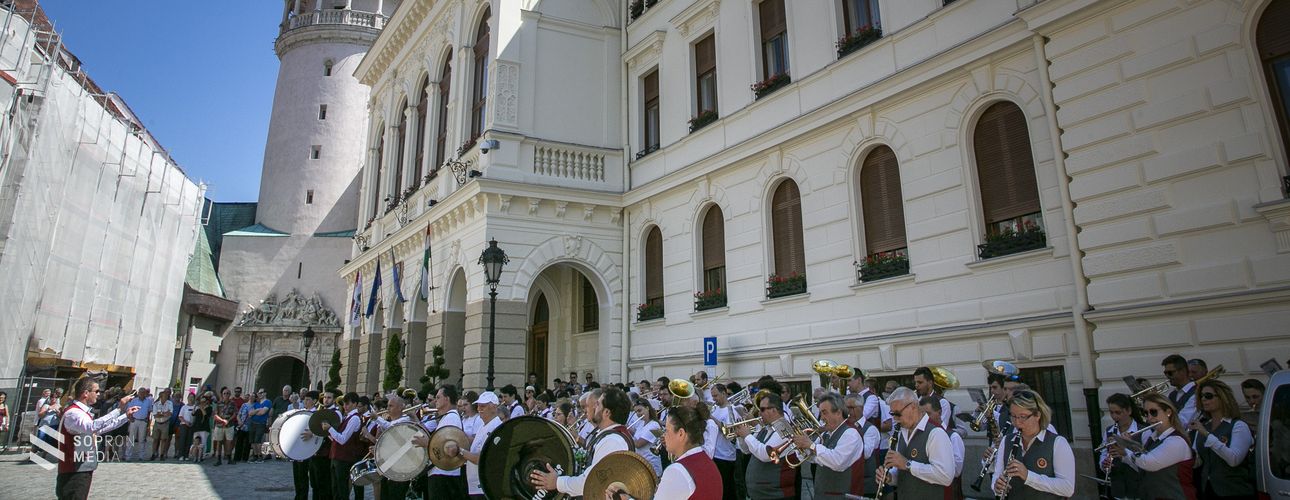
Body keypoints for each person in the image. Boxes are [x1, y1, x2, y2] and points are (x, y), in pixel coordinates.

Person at [530, 387, 633, 497]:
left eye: (598, 404)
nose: (594, 407)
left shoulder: (612, 441)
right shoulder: (610, 437)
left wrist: (557, 482)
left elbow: (591, 481)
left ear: (607, 412)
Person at [607, 405, 722, 500]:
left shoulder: (677, 470)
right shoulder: (709, 463)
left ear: (681, 434)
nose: (664, 435)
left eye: (667, 430)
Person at [55, 377, 139, 500]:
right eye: (96, 391)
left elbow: (100, 429)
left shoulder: (82, 412)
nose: (99, 394)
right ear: (86, 393)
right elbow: (92, 426)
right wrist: (119, 409)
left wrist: (125, 416)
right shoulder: (74, 413)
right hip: (73, 470)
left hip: (81, 468)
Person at [989, 390, 1076, 498]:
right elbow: (997, 475)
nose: (1017, 422)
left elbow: (1067, 488)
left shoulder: (1058, 443)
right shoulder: (1006, 441)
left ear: (1037, 415)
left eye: (1023, 416)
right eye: (1013, 416)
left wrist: (1028, 476)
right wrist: (997, 486)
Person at [875, 387, 954, 498]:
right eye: (892, 414)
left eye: (898, 414)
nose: (895, 419)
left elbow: (945, 476)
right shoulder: (901, 433)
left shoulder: (936, 433)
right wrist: (890, 477)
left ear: (912, 406)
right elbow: (902, 472)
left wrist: (908, 464)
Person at [1117, 393, 1196, 499]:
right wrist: (1124, 455)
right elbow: (1143, 469)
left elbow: (1149, 463)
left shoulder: (1176, 441)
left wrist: (1128, 447)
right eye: (1145, 413)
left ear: (1168, 412)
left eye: (1153, 412)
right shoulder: (1153, 438)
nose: (1149, 418)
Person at [1189, 379, 1255, 498]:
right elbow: (1198, 460)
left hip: (1235, 491)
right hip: (1207, 490)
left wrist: (1206, 434)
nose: (1203, 399)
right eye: (1201, 396)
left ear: (1222, 398)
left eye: (1208, 396)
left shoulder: (1238, 426)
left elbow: (1234, 459)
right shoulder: (1203, 426)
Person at [797, 393, 866, 500]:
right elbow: (813, 458)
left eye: (824, 413)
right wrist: (801, 447)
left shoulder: (851, 433)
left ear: (838, 413)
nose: (821, 418)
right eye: (821, 413)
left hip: (843, 496)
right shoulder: (826, 434)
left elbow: (838, 462)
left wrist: (811, 445)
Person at [734, 393, 796, 499]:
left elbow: (766, 455)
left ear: (774, 410)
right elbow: (747, 450)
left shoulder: (784, 429)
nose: (759, 412)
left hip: (775, 495)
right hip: (761, 495)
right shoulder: (766, 428)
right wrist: (741, 436)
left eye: (762, 409)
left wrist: (747, 436)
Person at [415, 385, 467, 499]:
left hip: (445, 476)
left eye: (438, 397)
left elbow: (450, 447)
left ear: (447, 399)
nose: (435, 401)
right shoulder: (447, 417)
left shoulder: (451, 418)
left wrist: (427, 443)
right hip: (440, 473)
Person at [322, 392, 366, 500]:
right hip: (336, 456)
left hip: (344, 458)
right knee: (335, 489)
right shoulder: (348, 417)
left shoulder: (354, 418)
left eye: (347, 404)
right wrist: (328, 433)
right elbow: (337, 439)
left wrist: (330, 429)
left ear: (355, 404)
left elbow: (343, 439)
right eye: (344, 404)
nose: (345, 406)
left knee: (342, 490)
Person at [1099, 393, 1143, 499]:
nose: (1114, 417)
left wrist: (1125, 453)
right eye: (1111, 412)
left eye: (1118, 412)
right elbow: (1104, 453)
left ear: (1129, 411)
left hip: (1138, 488)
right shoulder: (1109, 431)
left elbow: (1146, 460)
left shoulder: (1142, 431)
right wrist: (1104, 464)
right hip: (1118, 488)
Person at [920, 396, 965, 497]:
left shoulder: (953, 437)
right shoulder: (923, 435)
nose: (924, 418)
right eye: (922, 414)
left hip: (947, 492)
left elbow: (956, 471)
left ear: (939, 413)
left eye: (928, 414)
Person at [464, 391, 502, 499]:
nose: (479, 409)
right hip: (477, 486)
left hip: (484, 486)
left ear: (494, 407)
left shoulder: (495, 426)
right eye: (478, 406)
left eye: (483, 406)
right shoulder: (483, 426)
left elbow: (481, 458)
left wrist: (460, 451)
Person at [843, 394, 882, 498]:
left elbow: (865, 453)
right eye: (846, 408)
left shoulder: (870, 429)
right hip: (848, 482)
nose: (849, 412)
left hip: (866, 485)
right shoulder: (844, 427)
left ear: (862, 408)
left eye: (852, 408)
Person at [709, 383, 739, 500]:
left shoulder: (731, 410)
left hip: (726, 456)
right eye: (712, 396)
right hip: (715, 454)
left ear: (723, 393)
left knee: (726, 489)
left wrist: (711, 418)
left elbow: (729, 433)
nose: (714, 399)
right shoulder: (715, 409)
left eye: (715, 396)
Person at [1162, 354, 1199, 426]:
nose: (1167, 376)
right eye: (1165, 373)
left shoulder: (1196, 392)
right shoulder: (1172, 394)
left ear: (1183, 371)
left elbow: (1183, 421)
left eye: (1170, 373)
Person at [913, 367, 953, 433]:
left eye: (920, 382)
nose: (916, 385)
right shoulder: (916, 401)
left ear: (930, 383)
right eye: (915, 382)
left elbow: (941, 428)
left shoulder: (942, 402)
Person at [631, 400, 663, 475]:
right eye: (636, 412)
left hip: (651, 464)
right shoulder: (641, 423)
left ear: (647, 408)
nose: (638, 414)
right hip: (641, 462)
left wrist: (626, 437)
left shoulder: (654, 425)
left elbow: (638, 444)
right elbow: (636, 436)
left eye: (639, 410)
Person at [124, 387, 152, 461]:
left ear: (145, 393)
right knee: (131, 439)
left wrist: (148, 421)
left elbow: (149, 411)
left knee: (142, 439)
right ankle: (128, 456)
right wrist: (130, 418)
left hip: (143, 421)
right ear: (138, 393)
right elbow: (129, 410)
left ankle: (141, 456)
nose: (142, 394)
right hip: (134, 420)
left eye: (143, 393)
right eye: (141, 392)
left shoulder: (148, 401)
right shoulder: (134, 400)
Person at [249, 389, 272, 462]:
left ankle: (260, 456)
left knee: (258, 440)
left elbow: (262, 412)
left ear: (265, 393)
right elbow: (250, 413)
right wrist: (258, 410)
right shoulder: (256, 403)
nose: (259, 394)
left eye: (261, 392)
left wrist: (255, 411)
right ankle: (255, 455)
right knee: (252, 440)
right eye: (258, 393)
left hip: (261, 424)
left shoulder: (268, 402)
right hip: (253, 423)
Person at [149, 389, 173, 460]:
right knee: (155, 439)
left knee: (164, 439)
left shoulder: (170, 403)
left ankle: (162, 454)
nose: (166, 398)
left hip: (165, 423)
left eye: (166, 396)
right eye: (164, 396)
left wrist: (161, 414)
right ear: (160, 397)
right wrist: (164, 413)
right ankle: (154, 453)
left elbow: (170, 413)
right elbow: (155, 415)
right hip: (157, 423)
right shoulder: (156, 404)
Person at [190, 394, 211, 462]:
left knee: (203, 443)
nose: (202, 403)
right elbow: (193, 414)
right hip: (196, 428)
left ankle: (202, 456)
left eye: (204, 401)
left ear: (206, 401)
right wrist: (195, 406)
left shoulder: (209, 408)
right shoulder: (198, 408)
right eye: (201, 401)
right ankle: (195, 456)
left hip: (204, 428)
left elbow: (205, 415)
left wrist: (201, 408)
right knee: (196, 443)